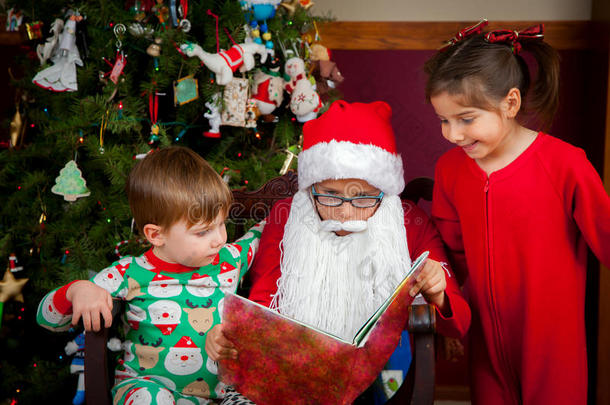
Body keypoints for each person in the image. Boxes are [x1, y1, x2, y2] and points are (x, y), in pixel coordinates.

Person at [206, 100, 471, 403]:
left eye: (362, 197)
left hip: (377, 372)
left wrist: (439, 292)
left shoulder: (410, 222)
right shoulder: (288, 216)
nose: (345, 211)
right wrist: (237, 337)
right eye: (330, 195)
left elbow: (459, 322)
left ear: (383, 189)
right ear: (312, 187)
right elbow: (265, 300)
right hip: (290, 368)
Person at [424, 20, 610, 405]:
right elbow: (451, 259)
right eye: (444, 119)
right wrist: (446, 305)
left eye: (466, 119)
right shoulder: (450, 171)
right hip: (486, 346)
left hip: (554, 348)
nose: (453, 134)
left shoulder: (565, 165)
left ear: (510, 103)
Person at [36, 146, 264, 405]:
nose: (220, 239)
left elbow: (264, 233)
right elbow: (48, 319)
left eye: (222, 224)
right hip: (145, 387)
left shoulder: (229, 259)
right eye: (203, 232)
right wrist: (77, 291)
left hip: (218, 395)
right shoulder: (129, 273)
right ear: (156, 235)